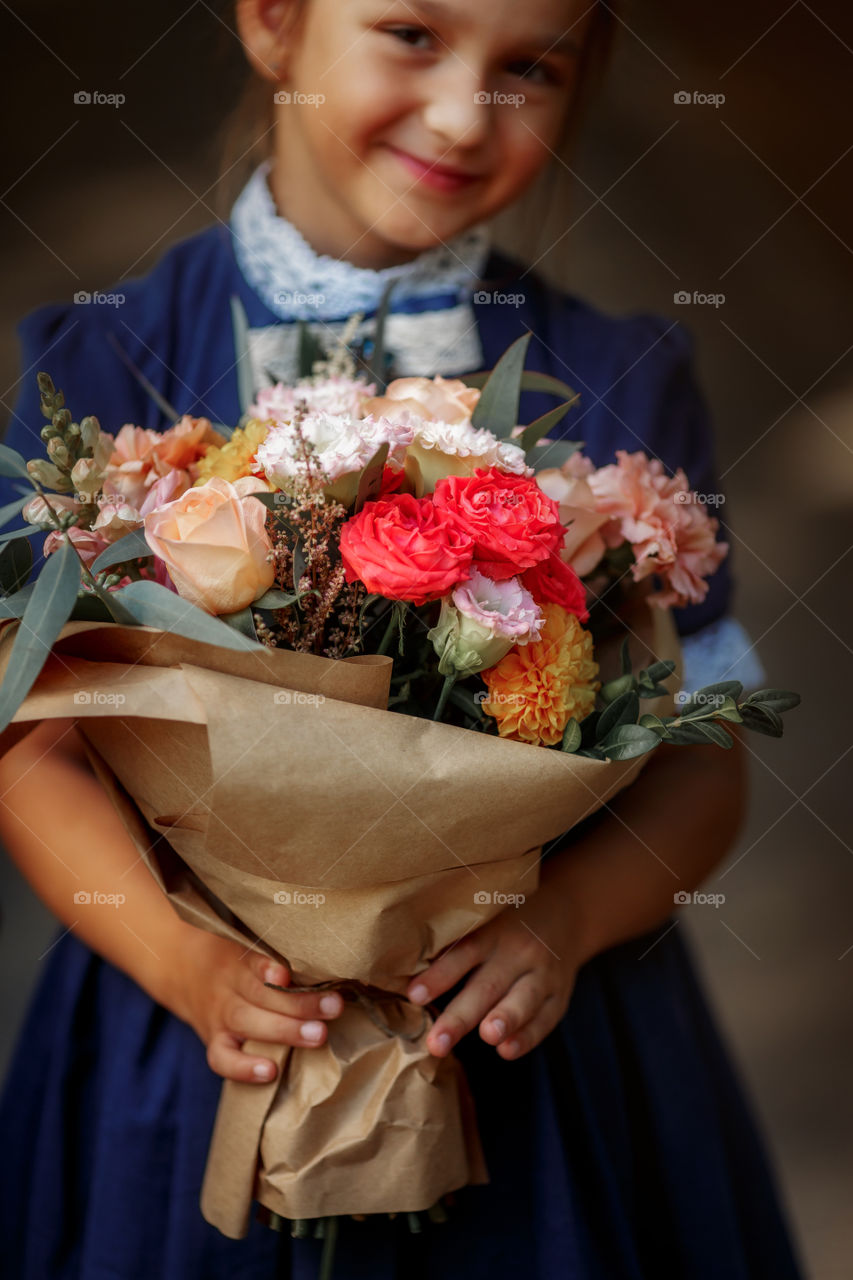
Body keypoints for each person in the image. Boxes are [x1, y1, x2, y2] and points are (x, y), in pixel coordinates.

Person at [0, 0, 805, 1276]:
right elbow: (34, 745)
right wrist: (184, 960)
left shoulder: (621, 379)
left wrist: (566, 922)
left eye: (527, 68)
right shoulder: (105, 363)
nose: (459, 113)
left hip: (527, 1046)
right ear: (273, 25)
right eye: (412, 36)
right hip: (199, 1033)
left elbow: (703, 754)